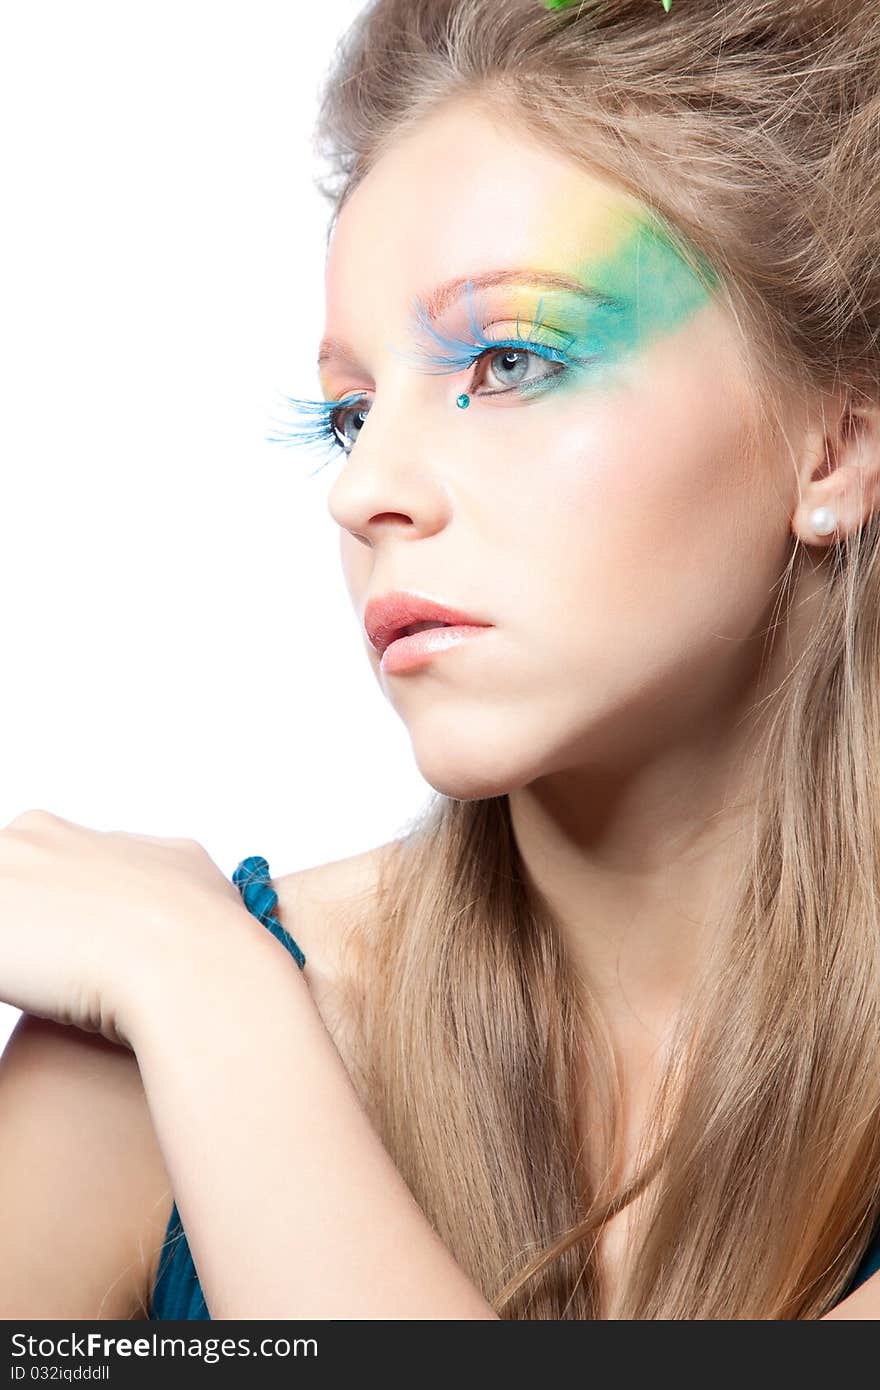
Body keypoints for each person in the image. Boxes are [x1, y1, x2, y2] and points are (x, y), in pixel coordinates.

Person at [2, 0, 880, 1321]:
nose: (367, 487)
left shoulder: (188, 997)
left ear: (837, 446)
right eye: (350, 411)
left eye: (513, 356)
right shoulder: (119, 1074)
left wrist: (213, 998)